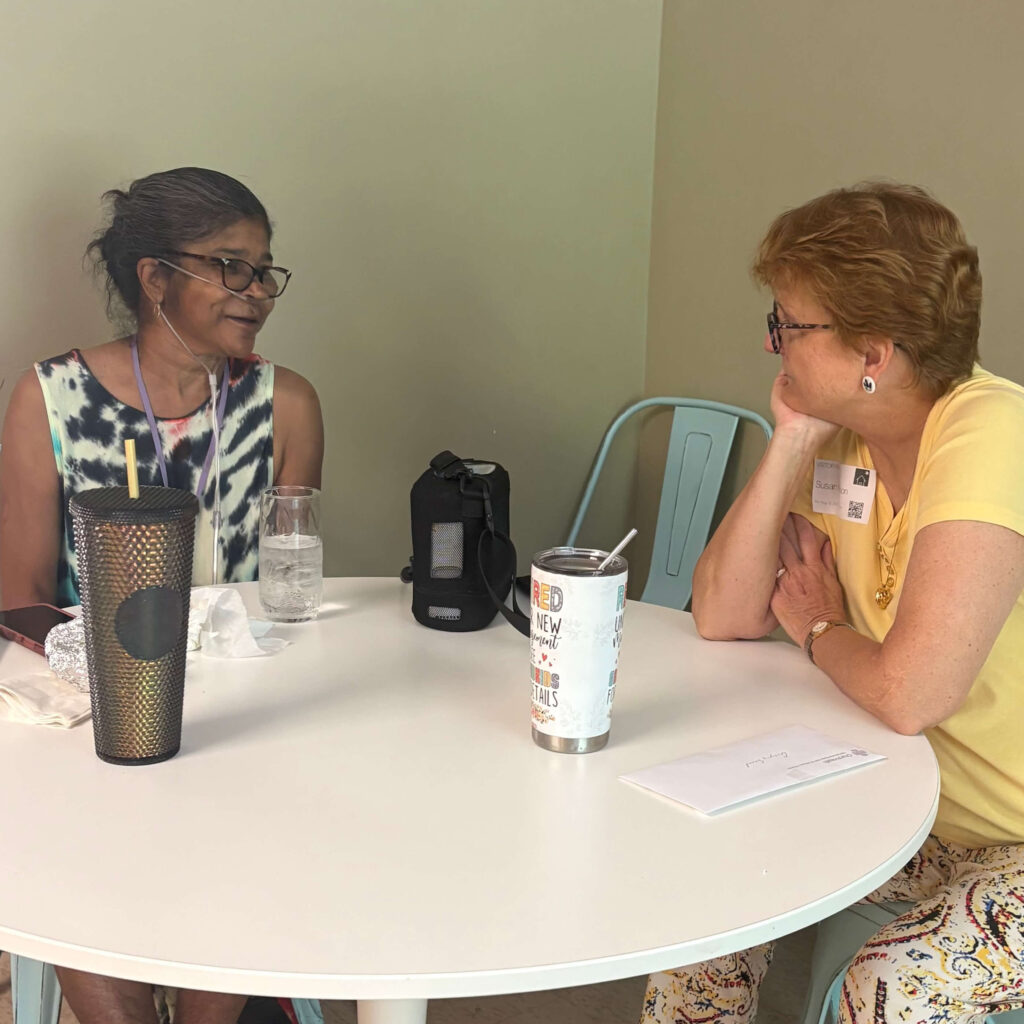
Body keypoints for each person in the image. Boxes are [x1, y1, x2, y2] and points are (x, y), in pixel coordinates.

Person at [640, 182, 1024, 1024]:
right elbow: (724, 613)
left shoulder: (991, 429)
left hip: (1013, 841)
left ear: (872, 353)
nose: (771, 343)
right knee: (708, 895)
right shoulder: (847, 441)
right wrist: (792, 437)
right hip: (914, 813)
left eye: (788, 324)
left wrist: (820, 628)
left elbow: (911, 692)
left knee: (890, 986)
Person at [0, 167, 324, 1023]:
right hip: (94, 705)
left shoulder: (286, 404)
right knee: (70, 854)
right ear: (154, 277)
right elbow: (20, 596)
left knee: (260, 826)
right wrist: (104, 694)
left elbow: (291, 588)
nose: (258, 292)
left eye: (265, 270)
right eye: (231, 266)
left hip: (241, 706)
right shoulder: (48, 399)